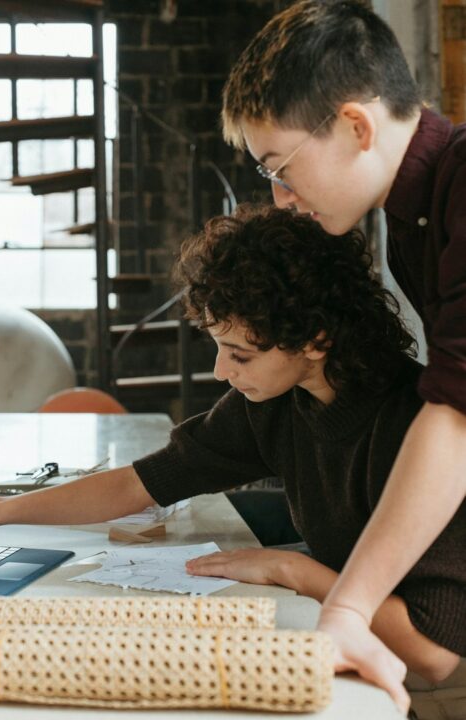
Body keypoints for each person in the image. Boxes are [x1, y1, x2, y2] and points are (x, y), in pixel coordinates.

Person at [0, 206, 465, 713]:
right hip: (365, 639)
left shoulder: (417, 427)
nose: (222, 372)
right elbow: (140, 483)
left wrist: (290, 569)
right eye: (219, 348)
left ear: (315, 340)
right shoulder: (278, 403)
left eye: (240, 354)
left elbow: (435, 655)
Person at [219, 0, 466, 712]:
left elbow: (454, 412)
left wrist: (349, 608)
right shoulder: (417, 210)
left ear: (357, 126)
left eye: (283, 166)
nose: (281, 196)